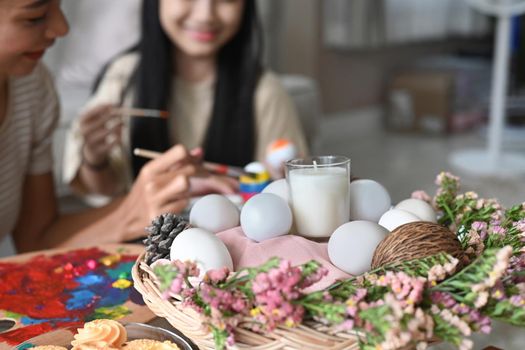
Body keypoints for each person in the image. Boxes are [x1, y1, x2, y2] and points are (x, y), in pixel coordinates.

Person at [0, 0, 199, 253]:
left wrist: (139, 207)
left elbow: (37, 240)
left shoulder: (31, 85)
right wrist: (128, 214)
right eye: (35, 16)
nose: (61, 28)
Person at [63, 0, 308, 197]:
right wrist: (94, 158)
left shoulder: (264, 91)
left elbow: (293, 188)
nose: (205, 15)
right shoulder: (124, 77)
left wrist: (278, 182)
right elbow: (103, 189)